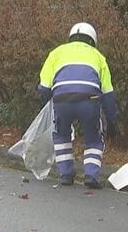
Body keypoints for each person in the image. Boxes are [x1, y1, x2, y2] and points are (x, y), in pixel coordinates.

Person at [38, 22, 118, 188]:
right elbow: (108, 93)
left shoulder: (56, 53)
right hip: (89, 99)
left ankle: (66, 174)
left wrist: (48, 103)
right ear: (93, 40)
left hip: (61, 99)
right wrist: (112, 120)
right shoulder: (98, 57)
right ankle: (91, 175)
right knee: (94, 138)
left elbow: (44, 87)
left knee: (61, 135)